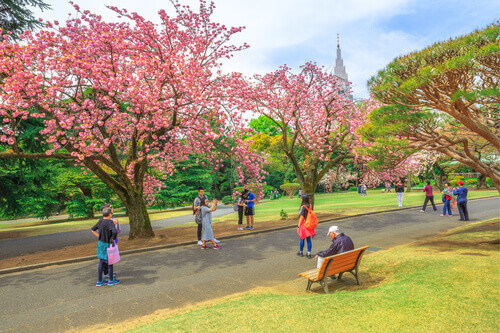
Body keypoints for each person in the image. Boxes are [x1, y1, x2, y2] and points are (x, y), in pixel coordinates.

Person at [91, 206, 119, 286]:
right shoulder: (110, 222)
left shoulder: (100, 221)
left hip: (101, 244)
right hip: (108, 244)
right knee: (110, 262)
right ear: (110, 214)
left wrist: (99, 236)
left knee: (101, 262)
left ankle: (99, 281)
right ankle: (111, 280)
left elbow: (93, 229)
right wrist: (113, 238)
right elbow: (114, 231)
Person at [296, 194, 316, 259]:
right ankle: (309, 253)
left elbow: (301, 217)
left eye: (301, 198)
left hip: (303, 224)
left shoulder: (303, 207)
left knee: (302, 238)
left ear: (303, 199)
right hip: (309, 224)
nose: (301, 199)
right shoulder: (310, 206)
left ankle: (301, 252)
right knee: (309, 240)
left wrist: (298, 226)